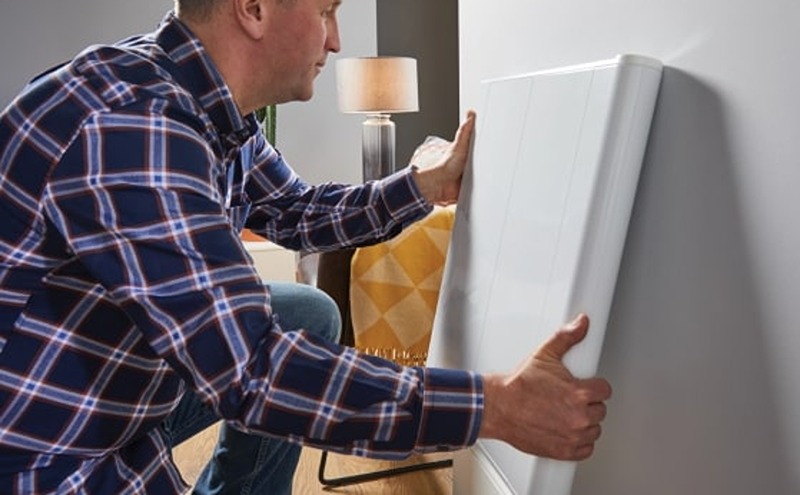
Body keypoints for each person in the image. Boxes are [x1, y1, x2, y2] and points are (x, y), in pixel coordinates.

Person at [0, 0, 612, 493]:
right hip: (43, 441)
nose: (337, 39)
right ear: (254, 9)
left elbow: (296, 210)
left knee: (307, 311)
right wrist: (493, 407)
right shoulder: (135, 126)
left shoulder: (212, 112)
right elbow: (254, 372)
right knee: (266, 365)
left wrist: (424, 187)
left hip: (114, 376)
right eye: (326, 11)